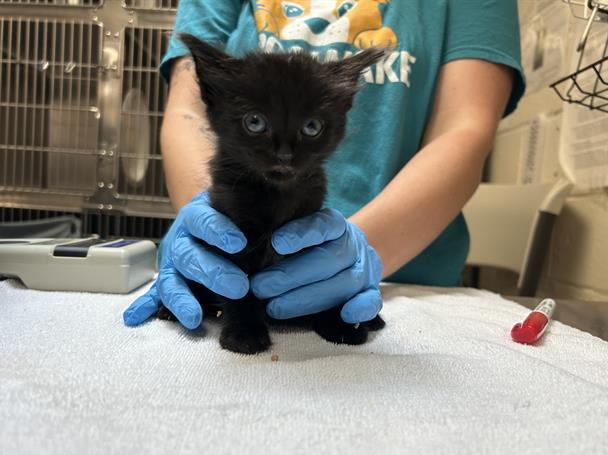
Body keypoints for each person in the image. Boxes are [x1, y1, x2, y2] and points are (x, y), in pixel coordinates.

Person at [124, 0, 525, 329]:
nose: (282, 153)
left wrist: (353, 257)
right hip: (235, 266)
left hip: (409, 287)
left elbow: (464, 128)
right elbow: (189, 112)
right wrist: (208, 236)